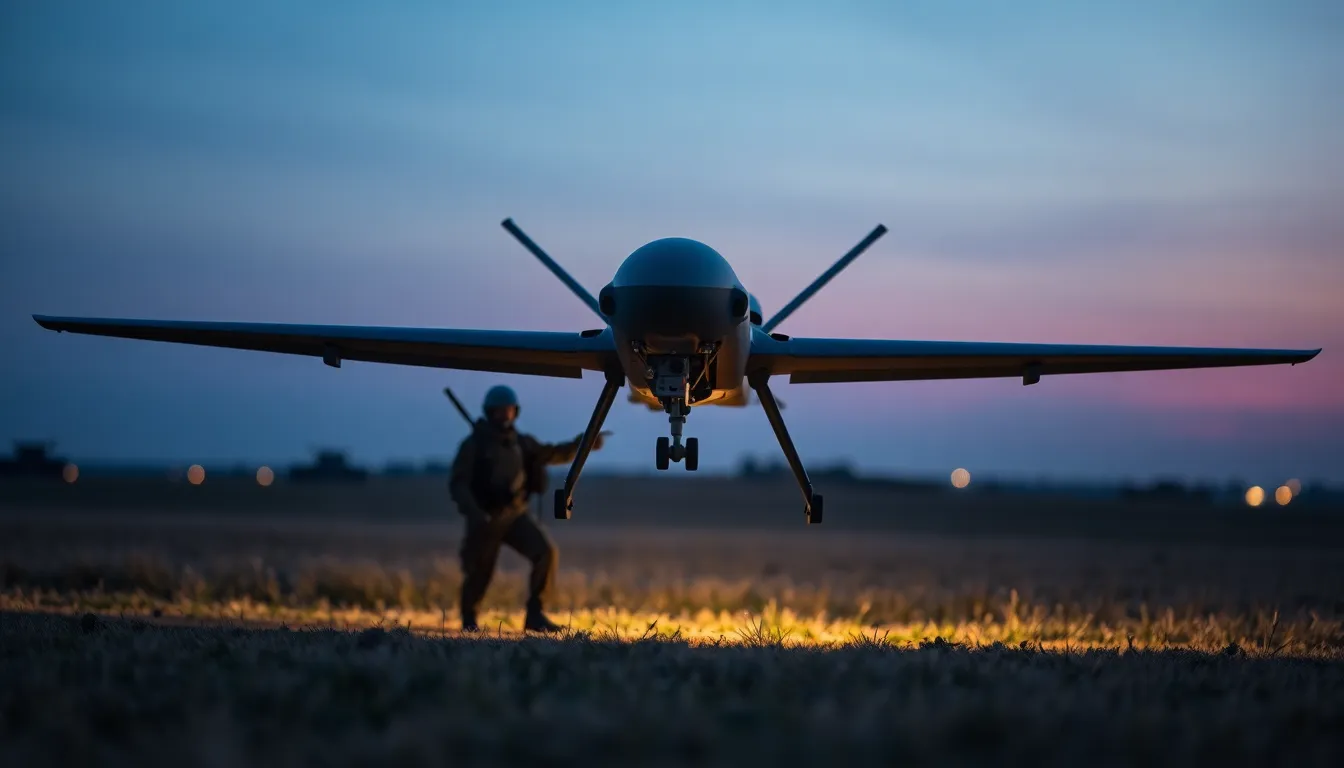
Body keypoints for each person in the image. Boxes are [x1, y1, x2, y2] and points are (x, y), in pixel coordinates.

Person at [449, 384, 607, 633]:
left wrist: (583, 444)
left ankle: (536, 614)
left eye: (509, 410)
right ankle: (469, 619)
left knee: (545, 553)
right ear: (490, 412)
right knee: (479, 571)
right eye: (500, 411)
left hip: (515, 516)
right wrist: (476, 514)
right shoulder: (474, 445)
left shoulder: (522, 443)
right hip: (486, 519)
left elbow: (553, 454)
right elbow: (458, 484)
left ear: (516, 412)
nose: (505, 415)